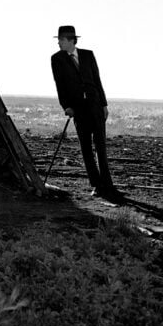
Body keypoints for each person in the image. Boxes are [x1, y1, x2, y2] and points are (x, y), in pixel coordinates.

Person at [50, 25, 119, 199]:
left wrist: (104, 104)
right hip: (78, 109)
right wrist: (66, 106)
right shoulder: (56, 59)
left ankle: (108, 186)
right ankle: (96, 186)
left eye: (61, 40)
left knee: (101, 147)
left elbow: (97, 79)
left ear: (70, 40)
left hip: (95, 106)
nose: (58, 43)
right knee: (86, 148)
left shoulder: (88, 55)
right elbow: (60, 85)